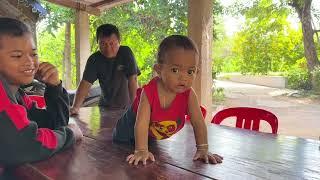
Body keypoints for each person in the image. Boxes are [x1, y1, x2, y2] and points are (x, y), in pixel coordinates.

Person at [112, 35, 223, 165]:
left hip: (150, 134)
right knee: (121, 158)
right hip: (127, 130)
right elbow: (141, 123)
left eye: (190, 71)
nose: (184, 78)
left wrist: (203, 148)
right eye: (175, 70)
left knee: (151, 159)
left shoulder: (189, 95)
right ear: (159, 70)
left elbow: (198, 121)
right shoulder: (148, 92)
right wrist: (141, 150)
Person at [0, 17, 82, 167]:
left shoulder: (19, 95)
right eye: (17, 56)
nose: (30, 62)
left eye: (33, 54)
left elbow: (53, 123)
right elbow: (26, 145)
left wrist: (54, 87)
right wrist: (69, 135)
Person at [70, 24, 140, 115]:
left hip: (127, 107)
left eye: (111, 43)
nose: (108, 48)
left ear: (119, 42)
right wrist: (75, 107)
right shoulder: (94, 59)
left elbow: (133, 80)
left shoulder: (125, 53)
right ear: (98, 43)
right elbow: (85, 83)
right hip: (105, 108)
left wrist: (136, 107)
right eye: (103, 44)